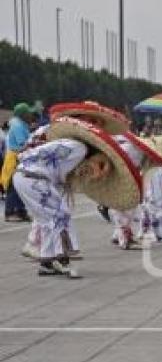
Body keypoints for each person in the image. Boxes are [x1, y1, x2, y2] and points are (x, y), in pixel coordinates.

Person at [13, 117, 141, 278]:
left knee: (48, 220)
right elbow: (64, 173)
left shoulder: (73, 146)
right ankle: (61, 259)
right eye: (101, 163)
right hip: (34, 178)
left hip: (28, 176)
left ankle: (47, 261)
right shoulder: (78, 149)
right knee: (60, 217)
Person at [2, 103, 34, 222]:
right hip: (16, 157)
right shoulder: (18, 125)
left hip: (20, 156)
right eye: (28, 113)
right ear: (23, 114)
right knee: (13, 186)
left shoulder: (19, 123)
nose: (30, 115)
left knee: (21, 184)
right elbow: (23, 144)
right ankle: (10, 212)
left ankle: (20, 211)